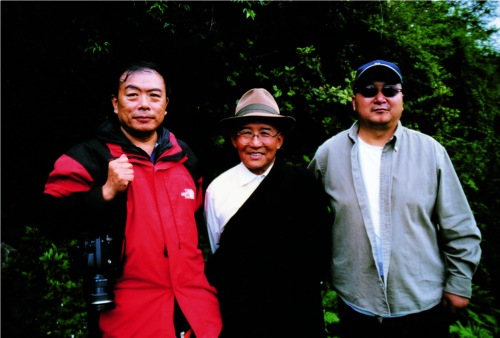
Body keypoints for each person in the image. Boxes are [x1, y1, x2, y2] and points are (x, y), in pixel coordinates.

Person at [42, 60, 222, 338]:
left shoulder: (185, 157)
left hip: (196, 309)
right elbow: (50, 220)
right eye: (132, 94)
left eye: (154, 96)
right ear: (115, 103)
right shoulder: (89, 157)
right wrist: (106, 192)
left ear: (165, 105)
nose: (144, 104)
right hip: (127, 316)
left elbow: (195, 223)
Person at [307, 60, 482, 337]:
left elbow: (459, 224)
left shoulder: (431, 152)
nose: (379, 98)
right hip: (356, 303)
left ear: (402, 100)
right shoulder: (328, 154)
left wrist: (459, 283)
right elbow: (308, 221)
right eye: (368, 90)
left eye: (390, 90)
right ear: (354, 101)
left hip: (421, 304)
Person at [204, 88, 331, 337]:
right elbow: (218, 251)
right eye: (246, 133)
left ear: (279, 140)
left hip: (298, 312)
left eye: (265, 133)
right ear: (233, 139)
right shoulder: (218, 190)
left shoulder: (303, 184)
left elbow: (320, 249)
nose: (255, 143)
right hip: (242, 315)